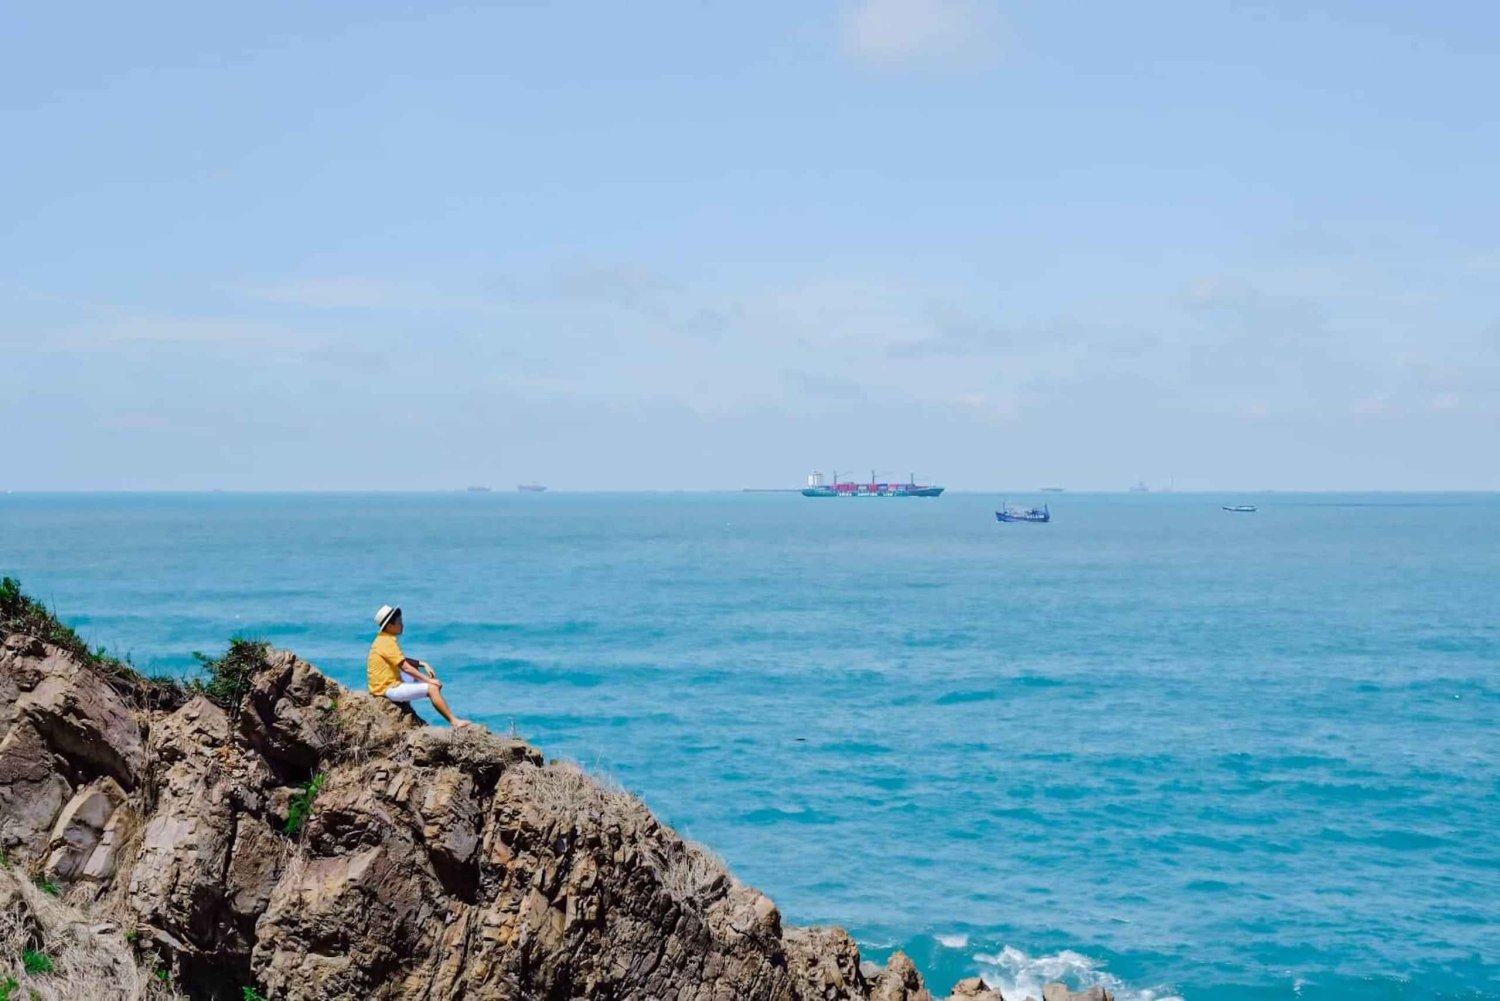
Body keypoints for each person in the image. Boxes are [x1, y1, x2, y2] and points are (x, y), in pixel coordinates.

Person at [368, 604, 469, 727]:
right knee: (432, 688)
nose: (402, 625)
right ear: (389, 626)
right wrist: (429, 681)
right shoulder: (387, 642)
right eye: (399, 622)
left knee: (417, 671)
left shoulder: (384, 639)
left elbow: (399, 660)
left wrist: (421, 663)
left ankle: (406, 702)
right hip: (386, 689)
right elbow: (405, 667)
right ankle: (454, 721)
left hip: (386, 684)